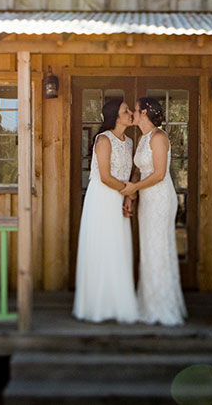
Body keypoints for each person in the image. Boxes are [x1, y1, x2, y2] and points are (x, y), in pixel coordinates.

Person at [72, 98, 139, 323]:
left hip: (119, 197)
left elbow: (131, 173)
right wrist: (128, 191)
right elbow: (105, 176)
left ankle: (118, 303)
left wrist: (129, 196)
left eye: (129, 110)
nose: (130, 113)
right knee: (103, 248)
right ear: (115, 116)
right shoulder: (103, 140)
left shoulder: (129, 142)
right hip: (102, 198)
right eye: (126, 110)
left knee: (118, 248)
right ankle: (98, 304)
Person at [123, 96, 187, 325]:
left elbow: (159, 173)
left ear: (145, 113)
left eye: (136, 109)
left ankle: (162, 307)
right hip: (146, 199)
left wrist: (134, 188)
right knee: (149, 249)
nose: (133, 112)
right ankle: (149, 303)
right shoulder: (143, 138)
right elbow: (139, 170)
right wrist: (131, 195)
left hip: (160, 198)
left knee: (158, 248)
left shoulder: (159, 137)